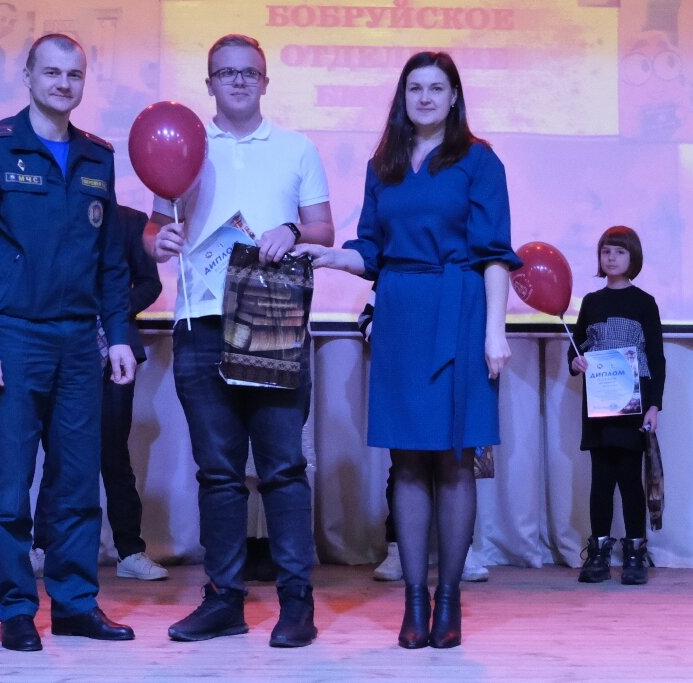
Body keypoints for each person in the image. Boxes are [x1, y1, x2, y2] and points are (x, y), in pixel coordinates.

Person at [294, 51, 521, 649]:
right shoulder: (384, 164)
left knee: (455, 459)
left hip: (460, 308)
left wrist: (494, 331)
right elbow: (371, 248)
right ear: (403, 97)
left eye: (436, 88)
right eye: (414, 87)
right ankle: (414, 602)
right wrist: (332, 256)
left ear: (454, 96)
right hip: (399, 312)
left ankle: (450, 600)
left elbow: (495, 252)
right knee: (409, 460)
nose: (424, 97)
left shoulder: (479, 160)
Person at [0, 33, 136, 652]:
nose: (63, 83)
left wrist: (119, 335)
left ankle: (75, 603)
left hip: (79, 341)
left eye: (73, 74)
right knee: (9, 485)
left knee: (77, 483)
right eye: (51, 72)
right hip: (11, 337)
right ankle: (16, 609)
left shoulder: (97, 157)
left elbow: (110, 263)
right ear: (27, 76)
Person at [145, 33, 334, 648]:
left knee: (283, 469)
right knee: (219, 474)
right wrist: (158, 242)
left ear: (265, 81)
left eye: (249, 72)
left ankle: (296, 603)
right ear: (209, 84)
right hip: (200, 322)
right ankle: (224, 599)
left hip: (272, 315)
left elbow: (324, 228)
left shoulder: (296, 148)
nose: (238, 81)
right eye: (226, 73)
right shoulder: (184, 146)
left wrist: (290, 230)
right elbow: (154, 227)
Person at [31, 204, 168, 582]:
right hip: (60, 348)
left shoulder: (131, 221)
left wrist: (110, 310)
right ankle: (44, 546)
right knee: (58, 451)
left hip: (115, 352)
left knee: (114, 452)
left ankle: (130, 551)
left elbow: (150, 283)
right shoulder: (54, 211)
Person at [358, 286, 489, 584]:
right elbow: (365, 319)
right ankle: (397, 548)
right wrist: (393, 337)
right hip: (409, 374)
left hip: (453, 372)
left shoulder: (464, 277)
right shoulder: (395, 277)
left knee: (458, 467)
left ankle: (462, 552)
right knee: (405, 469)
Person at [568, 225, 665, 586]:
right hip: (598, 406)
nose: (611, 258)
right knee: (601, 481)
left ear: (633, 257)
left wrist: (654, 405)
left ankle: (635, 552)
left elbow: (656, 356)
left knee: (630, 480)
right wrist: (575, 362)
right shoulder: (591, 302)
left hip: (632, 405)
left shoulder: (644, 302)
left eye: (619, 252)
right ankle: (598, 553)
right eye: (606, 251)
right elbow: (576, 347)